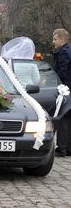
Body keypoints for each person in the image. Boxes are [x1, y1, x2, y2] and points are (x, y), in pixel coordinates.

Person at [52, 28, 71, 157]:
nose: (53, 42)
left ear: (62, 39)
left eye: (55, 39)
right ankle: (68, 148)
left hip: (66, 89)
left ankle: (62, 148)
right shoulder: (67, 51)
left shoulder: (64, 53)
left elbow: (61, 73)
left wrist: (55, 83)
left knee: (64, 118)